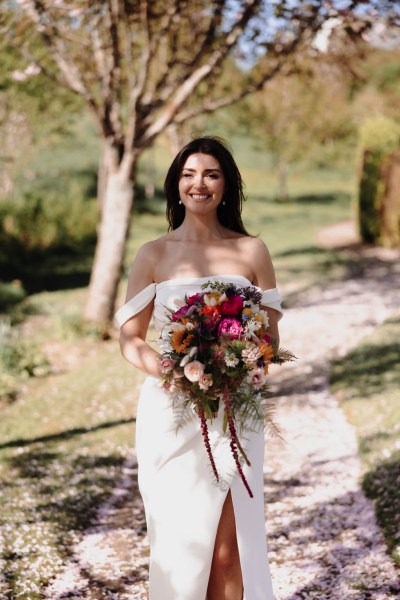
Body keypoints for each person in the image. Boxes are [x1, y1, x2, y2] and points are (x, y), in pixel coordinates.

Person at [115, 136, 283, 600]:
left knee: (229, 551)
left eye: (211, 174)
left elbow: (269, 341)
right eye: (188, 175)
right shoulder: (153, 253)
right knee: (182, 549)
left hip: (233, 411)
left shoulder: (253, 251)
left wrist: (238, 366)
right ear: (176, 186)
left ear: (226, 184)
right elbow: (129, 338)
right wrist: (173, 371)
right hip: (171, 412)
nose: (199, 184)